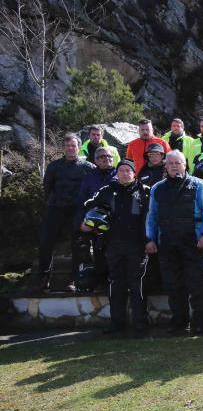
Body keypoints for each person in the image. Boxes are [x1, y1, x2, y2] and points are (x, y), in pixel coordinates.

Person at [145, 150, 203, 335]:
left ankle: (201, 322)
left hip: (193, 243)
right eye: (171, 163)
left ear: (185, 165)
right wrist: (150, 239)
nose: (175, 166)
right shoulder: (157, 188)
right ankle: (179, 322)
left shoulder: (200, 185)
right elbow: (152, 216)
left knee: (197, 284)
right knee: (173, 285)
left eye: (178, 162)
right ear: (165, 166)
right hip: (167, 243)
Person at [80, 159, 150, 336]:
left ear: (134, 173)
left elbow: (153, 218)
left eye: (128, 170)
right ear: (117, 173)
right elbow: (88, 208)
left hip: (137, 246)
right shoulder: (106, 191)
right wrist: (86, 224)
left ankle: (140, 325)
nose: (125, 173)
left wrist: (150, 240)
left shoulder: (145, 192)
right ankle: (117, 324)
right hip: (112, 245)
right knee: (116, 285)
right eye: (122, 170)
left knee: (137, 286)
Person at [36, 133, 95, 291]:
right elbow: (47, 187)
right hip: (56, 207)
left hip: (77, 209)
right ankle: (43, 278)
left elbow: (94, 188)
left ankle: (73, 280)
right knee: (45, 241)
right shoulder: (54, 166)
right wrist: (53, 202)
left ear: (78, 147)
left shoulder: (88, 167)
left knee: (78, 244)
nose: (70, 148)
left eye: (73, 146)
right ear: (64, 147)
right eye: (68, 145)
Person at [73, 145, 118, 289]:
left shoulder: (121, 174)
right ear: (96, 160)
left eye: (109, 156)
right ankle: (102, 284)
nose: (106, 159)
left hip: (119, 224)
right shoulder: (89, 178)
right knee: (99, 256)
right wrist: (81, 223)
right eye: (102, 157)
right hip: (95, 224)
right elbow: (81, 202)